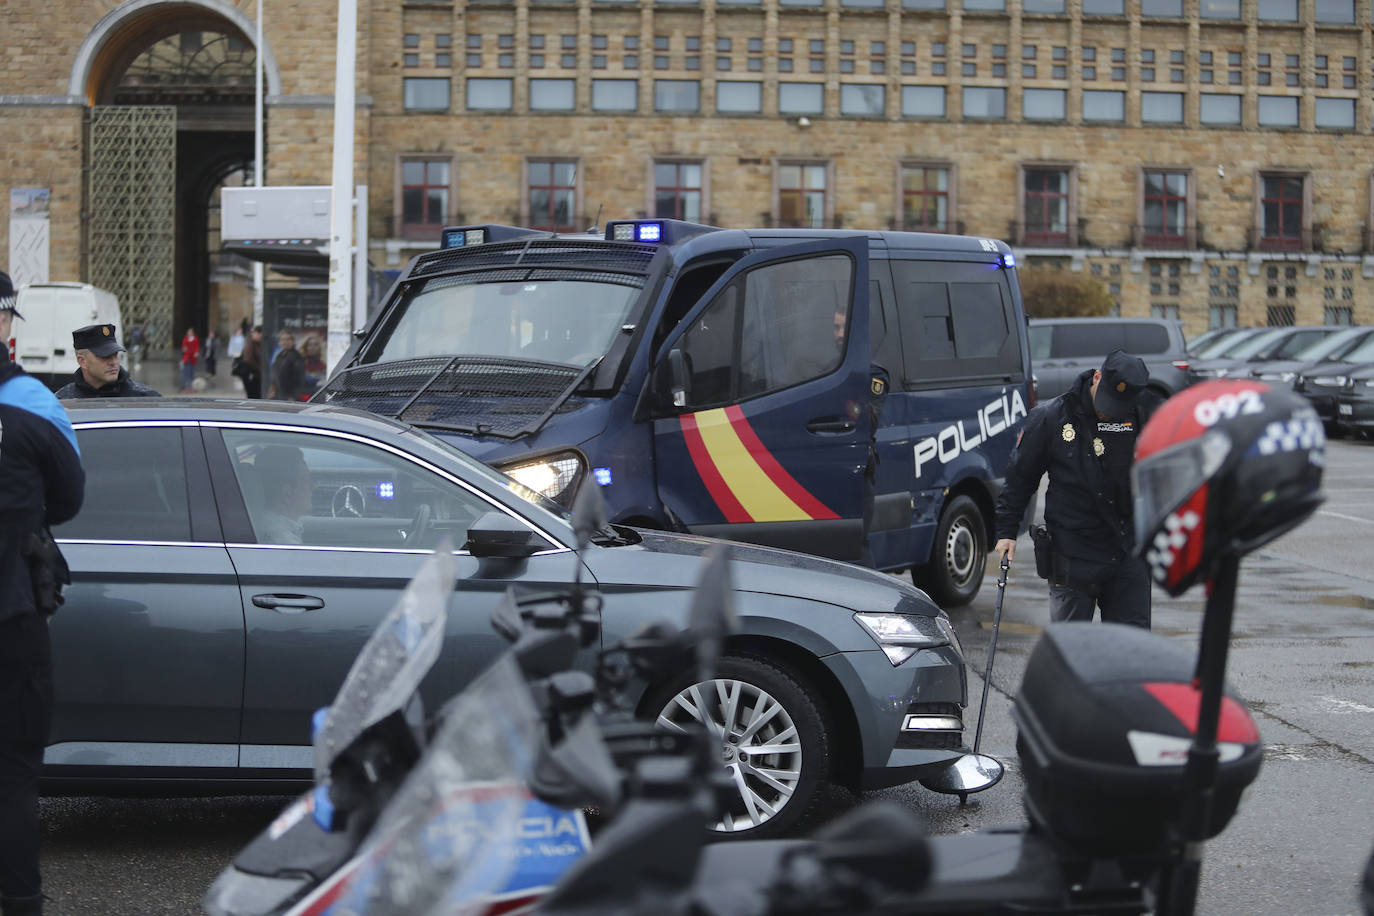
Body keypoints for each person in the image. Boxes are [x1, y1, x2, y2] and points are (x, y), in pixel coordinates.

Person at [0, 269, 85, 916]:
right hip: (12, 614)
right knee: (14, 772)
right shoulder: (30, 404)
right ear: (5, 326)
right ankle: (20, 899)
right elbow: (69, 499)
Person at [993, 349, 1162, 629]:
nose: (1110, 411)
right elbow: (1020, 476)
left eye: (1119, 406)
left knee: (1132, 652)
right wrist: (1006, 531)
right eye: (1108, 401)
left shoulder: (1147, 414)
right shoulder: (1052, 417)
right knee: (1069, 653)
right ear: (1096, 377)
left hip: (1128, 552)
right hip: (1072, 552)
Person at [53, 324, 160, 399]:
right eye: (105, 356)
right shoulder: (63, 403)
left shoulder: (145, 399)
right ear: (83, 361)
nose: (113, 362)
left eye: (115, 355)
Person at [251, 445, 311, 544]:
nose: (313, 486)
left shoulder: (263, 525)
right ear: (287, 493)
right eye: (307, 481)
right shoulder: (284, 542)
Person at [268, 330, 307, 401]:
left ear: (293, 341)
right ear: (279, 342)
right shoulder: (279, 356)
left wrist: (294, 396)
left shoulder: (296, 356)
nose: (285, 342)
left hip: (290, 396)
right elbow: (275, 375)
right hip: (279, 395)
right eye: (283, 340)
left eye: (288, 339)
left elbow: (300, 378)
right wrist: (272, 390)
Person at [234, 325, 263, 399]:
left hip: (253, 374)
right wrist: (258, 368)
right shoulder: (250, 343)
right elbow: (248, 359)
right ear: (257, 333)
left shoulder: (255, 343)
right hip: (251, 375)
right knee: (253, 394)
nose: (261, 337)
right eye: (260, 334)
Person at [179, 327, 200, 393]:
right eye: (189, 332)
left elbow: (197, 347)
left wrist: (196, 352)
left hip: (192, 358)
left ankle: (191, 386)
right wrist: (184, 349)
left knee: (191, 372)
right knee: (186, 372)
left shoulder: (195, 339)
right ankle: (186, 386)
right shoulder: (185, 339)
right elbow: (183, 347)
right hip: (187, 357)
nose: (190, 333)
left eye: (191, 332)